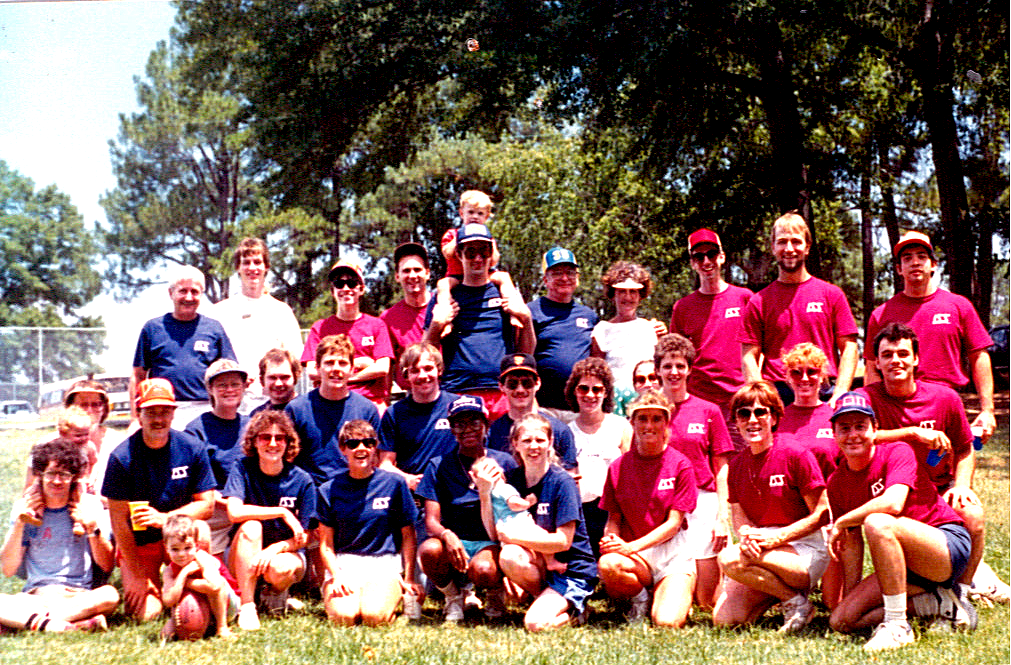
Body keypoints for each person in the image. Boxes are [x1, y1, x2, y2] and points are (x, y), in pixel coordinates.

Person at [825, 392, 975, 651]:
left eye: (861, 426)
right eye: (844, 428)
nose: (853, 435)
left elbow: (893, 503)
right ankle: (939, 603)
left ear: (875, 430)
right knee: (841, 620)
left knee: (878, 522)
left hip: (943, 546)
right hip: (902, 565)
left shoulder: (897, 450)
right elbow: (852, 544)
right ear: (835, 434)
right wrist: (851, 594)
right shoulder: (837, 483)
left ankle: (897, 625)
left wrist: (842, 521)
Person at [860, 323, 991, 606]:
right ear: (877, 362)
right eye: (887, 355)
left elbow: (965, 447)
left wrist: (962, 486)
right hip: (893, 492)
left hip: (939, 488)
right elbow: (858, 438)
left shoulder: (944, 398)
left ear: (916, 359)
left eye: (903, 353)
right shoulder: (866, 399)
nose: (896, 360)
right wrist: (911, 432)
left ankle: (962, 592)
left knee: (973, 516)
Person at [713, 381, 829, 633]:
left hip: (804, 548)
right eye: (744, 413)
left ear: (774, 417)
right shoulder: (736, 466)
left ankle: (796, 603)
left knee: (730, 559)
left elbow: (822, 513)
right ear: (736, 420)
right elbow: (739, 517)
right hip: (765, 548)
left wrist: (774, 538)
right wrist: (746, 536)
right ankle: (785, 596)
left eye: (760, 412)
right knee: (726, 619)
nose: (752, 420)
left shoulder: (795, 454)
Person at [864, 231, 996, 445]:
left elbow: (979, 356)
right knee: (897, 467)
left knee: (952, 467)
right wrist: (872, 410)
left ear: (933, 264)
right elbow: (872, 366)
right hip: (896, 405)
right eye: (907, 258)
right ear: (899, 269)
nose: (915, 262)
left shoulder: (958, 306)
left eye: (921, 256)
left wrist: (987, 410)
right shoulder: (881, 314)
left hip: (947, 402)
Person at [102, 378, 216, 621]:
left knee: (202, 530)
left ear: (173, 413)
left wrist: (166, 519)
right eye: (151, 412)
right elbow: (119, 523)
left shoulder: (192, 447)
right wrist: (136, 576)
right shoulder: (121, 457)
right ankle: (158, 587)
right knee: (147, 614)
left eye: (164, 411)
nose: (158, 419)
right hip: (141, 543)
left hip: (180, 537)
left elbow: (207, 505)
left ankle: (191, 585)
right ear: (139, 413)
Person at [474, 414, 599, 631]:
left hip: (570, 569)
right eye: (527, 441)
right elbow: (495, 535)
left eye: (540, 440)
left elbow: (563, 543)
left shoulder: (563, 482)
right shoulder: (511, 480)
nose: (534, 447)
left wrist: (511, 537)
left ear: (550, 442)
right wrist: (485, 494)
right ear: (515, 444)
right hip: (540, 564)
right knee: (510, 554)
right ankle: (541, 598)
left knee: (535, 624)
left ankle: (576, 612)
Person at [597, 391, 698, 627]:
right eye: (642, 418)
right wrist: (611, 539)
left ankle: (670, 593)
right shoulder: (618, 467)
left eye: (656, 419)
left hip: (671, 553)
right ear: (632, 422)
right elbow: (614, 516)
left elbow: (673, 524)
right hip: (635, 555)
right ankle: (639, 598)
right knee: (608, 564)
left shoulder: (681, 464)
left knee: (666, 623)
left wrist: (630, 547)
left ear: (666, 423)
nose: (649, 425)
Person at [739, 212, 858, 406]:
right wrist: (761, 399)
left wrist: (840, 392)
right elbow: (748, 356)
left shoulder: (831, 294)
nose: (789, 249)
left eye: (796, 241)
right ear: (773, 248)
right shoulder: (759, 301)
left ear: (807, 246)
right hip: (778, 393)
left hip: (824, 389)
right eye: (782, 242)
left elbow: (849, 348)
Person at [0, 438, 117, 633]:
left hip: (77, 596)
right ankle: (68, 625)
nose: (57, 481)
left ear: (74, 477)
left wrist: (92, 529)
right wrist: (20, 524)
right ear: (39, 475)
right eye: (51, 473)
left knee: (110, 595)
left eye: (64, 474)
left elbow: (106, 565)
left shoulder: (89, 505)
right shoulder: (25, 509)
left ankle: (28, 623)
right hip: (35, 596)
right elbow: (8, 570)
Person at [417, 395, 517, 622]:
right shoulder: (439, 465)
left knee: (483, 570)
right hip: (456, 543)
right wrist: (447, 535)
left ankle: (494, 595)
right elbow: (431, 520)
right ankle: (454, 598)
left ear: (485, 425)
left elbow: (518, 511)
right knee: (429, 550)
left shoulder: (506, 462)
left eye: (474, 422)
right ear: (451, 429)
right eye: (459, 423)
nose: (467, 429)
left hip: (491, 542)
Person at [653, 334, 734, 610]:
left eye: (679, 366)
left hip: (702, 501)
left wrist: (723, 516)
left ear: (689, 369)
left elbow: (721, 468)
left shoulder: (708, 411)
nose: (673, 372)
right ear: (658, 371)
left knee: (707, 602)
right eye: (667, 366)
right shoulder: (650, 411)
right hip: (664, 502)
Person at [423, 222, 535, 420]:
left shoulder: (505, 293)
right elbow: (426, 353)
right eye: (470, 252)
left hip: (502, 392)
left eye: (484, 252)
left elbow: (526, 352)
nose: (478, 258)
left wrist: (526, 319)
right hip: (458, 392)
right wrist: (436, 325)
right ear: (459, 254)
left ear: (491, 253)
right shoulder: (447, 297)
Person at [316, 420, 422, 626]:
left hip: (382, 564)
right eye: (353, 443)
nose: (361, 448)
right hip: (344, 565)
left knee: (373, 616)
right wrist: (336, 576)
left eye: (368, 442)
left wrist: (409, 578)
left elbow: (408, 535)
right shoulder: (328, 490)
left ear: (375, 447)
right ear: (342, 449)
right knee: (344, 617)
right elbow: (325, 545)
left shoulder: (394, 483)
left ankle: (401, 598)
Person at [224, 410, 315, 630]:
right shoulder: (242, 468)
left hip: (285, 554)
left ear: (288, 443)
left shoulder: (302, 480)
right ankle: (247, 606)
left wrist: (274, 549)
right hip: (243, 552)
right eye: (265, 437)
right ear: (254, 442)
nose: (272, 443)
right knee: (252, 527)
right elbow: (234, 513)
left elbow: (306, 536)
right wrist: (281, 512)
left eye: (279, 438)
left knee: (281, 568)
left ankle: (272, 592)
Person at [670, 228, 753, 448]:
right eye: (699, 256)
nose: (706, 261)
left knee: (741, 469)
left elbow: (759, 347)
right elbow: (675, 356)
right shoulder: (683, 307)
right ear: (692, 263)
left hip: (739, 402)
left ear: (722, 257)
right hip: (700, 402)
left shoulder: (745, 298)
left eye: (712, 253)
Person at [132, 265, 237, 427]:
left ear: (201, 294)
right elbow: (138, 376)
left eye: (195, 292)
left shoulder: (214, 329)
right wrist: (134, 418)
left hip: (206, 409)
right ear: (171, 293)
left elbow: (229, 371)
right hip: (164, 409)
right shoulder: (153, 328)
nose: (189, 297)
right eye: (183, 291)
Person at [214, 237, 304, 412]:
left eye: (257, 262)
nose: (252, 268)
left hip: (272, 401)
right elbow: (213, 361)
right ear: (238, 268)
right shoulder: (220, 311)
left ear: (266, 267)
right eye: (246, 263)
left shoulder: (282, 311)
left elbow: (295, 359)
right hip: (232, 402)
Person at [285, 334, 381, 486]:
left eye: (342, 363)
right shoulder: (297, 409)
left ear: (352, 369)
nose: (336, 369)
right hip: (311, 493)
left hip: (354, 491)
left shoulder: (366, 410)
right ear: (317, 368)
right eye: (329, 363)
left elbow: (375, 459)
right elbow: (287, 459)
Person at [301, 260, 395, 410]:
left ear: (361, 289)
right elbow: (312, 372)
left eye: (352, 283)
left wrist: (345, 377)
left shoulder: (376, 325)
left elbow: (383, 368)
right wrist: (362, 363)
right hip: (329, 401)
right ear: (333, 291)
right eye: (339, 283)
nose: (346, 288)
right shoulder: (319, 328)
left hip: (370, 401)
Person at [564, 357, 632, 557]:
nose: (590, 395)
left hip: (615, 510)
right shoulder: (566, 432)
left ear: (606, 392)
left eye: (597, 389)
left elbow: (630, 475)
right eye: (583, 389)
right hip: (581, 512)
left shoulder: (621, 426)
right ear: (574, 391)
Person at [434, 190, 528, 335]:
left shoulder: (487, 237)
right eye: (470, 212)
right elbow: (447, 253)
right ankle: (447, 320)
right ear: (461, 213)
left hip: (483, 274)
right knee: (442, 285)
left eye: (480, 214)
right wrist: (460, 238)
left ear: (486, 217)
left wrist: (490, 246)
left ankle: (513, 311)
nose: (474, 217)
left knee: (504, 277)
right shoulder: (453, 233)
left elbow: (494, 260)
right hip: (456, 276)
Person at [183, 359, 251, 556]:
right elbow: (195, 486)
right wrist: (231, 505)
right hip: (215, 511)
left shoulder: (252, 425)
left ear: (244, 387)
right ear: (210, 389)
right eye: (222, 385)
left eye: (235, 384)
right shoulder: (196, 431)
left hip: (248, 507)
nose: (229, 390)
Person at [528, 247, 598, 416]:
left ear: (578, 278)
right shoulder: (531, 312)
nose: (565, 278)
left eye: (570, 272)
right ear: (545, 279)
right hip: (544, 407)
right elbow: (523, 359)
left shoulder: (589, 315)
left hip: (580, 408)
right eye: (557, 273)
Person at [590, 260, 667, 415]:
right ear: (613, 294)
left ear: (640, 295)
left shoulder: (651, 327)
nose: (628, 297)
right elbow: (597, 374)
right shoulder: (602, 330)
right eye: (622, 292)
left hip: (648, 400)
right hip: (616, 404)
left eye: (633, 291)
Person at [486, 353, 578, 473]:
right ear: (501, 386)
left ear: (537, 384)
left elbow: (571, 476)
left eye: (526, 383)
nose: (520, 390)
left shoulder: (559, 430)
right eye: (512, 384)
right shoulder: (493, 432)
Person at [160, 514, 238, 640]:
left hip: (228, 605)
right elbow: (168, 600)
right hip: (199, 603)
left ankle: (221, 627)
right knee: (166, 634)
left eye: (187, 548)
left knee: (219, 581)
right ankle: (199, 623)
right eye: (175, 549)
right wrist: (183, 574)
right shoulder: (169, 571)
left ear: (196, 546)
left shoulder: (202, 558)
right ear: (166, 548)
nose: (182, 554)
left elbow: (215, 586)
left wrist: (186, 583)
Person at [778, 343, 838, 479]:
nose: (804, 378)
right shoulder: (777, 419)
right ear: (787, 377)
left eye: (811, 371)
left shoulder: (835, 416)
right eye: (796, 372)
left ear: (822, 376)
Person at [380, 242, 433, 392]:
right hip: (412, 394)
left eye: (417, 270)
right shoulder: (388, 318)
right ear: (397, 276)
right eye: (406, 271)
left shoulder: (444, 306)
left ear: (427, 273)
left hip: (448, 390)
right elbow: (388, 368)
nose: (412, 276)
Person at [62, 379, 113, 492]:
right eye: (83, 405)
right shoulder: (50, 443)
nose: (89, 410)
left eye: (96, 404)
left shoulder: (120, 442)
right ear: (70, 408)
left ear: (104, 408)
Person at [249, 347, 301, 416]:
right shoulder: (257, 416)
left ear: (295, 377)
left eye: (284, 377)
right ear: (262, 380)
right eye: (272, 378)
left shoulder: (308, 410)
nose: (278, 384)